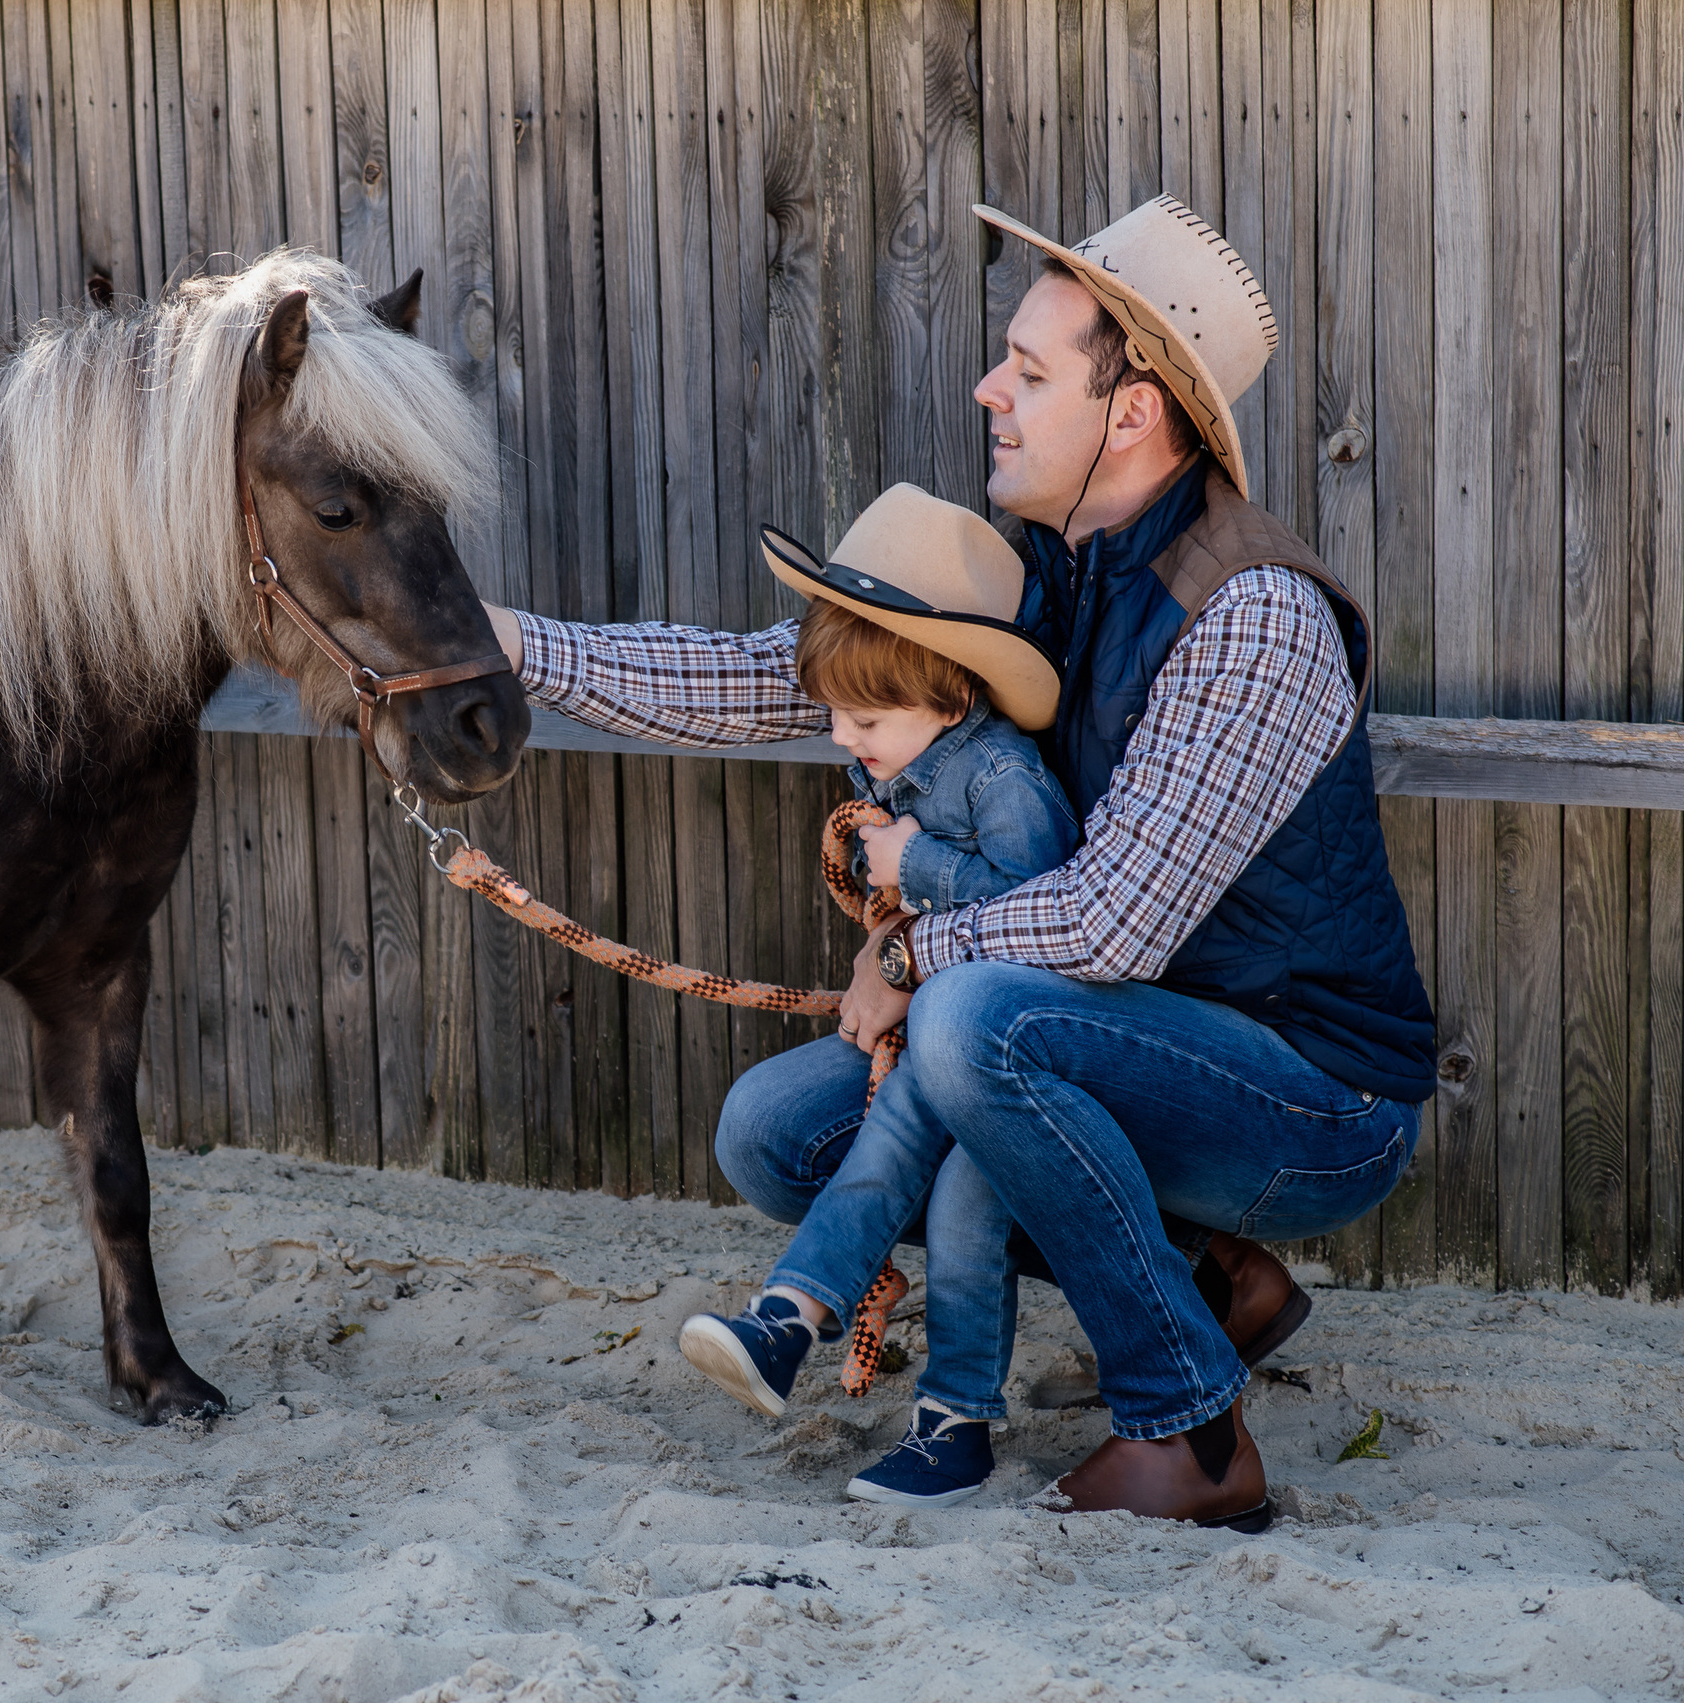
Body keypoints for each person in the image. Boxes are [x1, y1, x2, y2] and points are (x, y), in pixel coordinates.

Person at [485, 195, 1432, 1531]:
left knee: (976, 1020)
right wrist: (506, 648)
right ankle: (1208, 1278)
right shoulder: (1047, 573)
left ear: (1134, 413)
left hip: (1310, 1095)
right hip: (1124, 1040)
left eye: (1031, 370)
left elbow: (1109, 927)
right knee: (779, 1131)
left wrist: (906, 949)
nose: (992, 387)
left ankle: (1191, 1422)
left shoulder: (1253, 615)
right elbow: (778, 676)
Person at [667, 488, 1081, 1516]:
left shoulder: (1002, 778)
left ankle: (929, 1402)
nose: (847, 740)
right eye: (836, 716)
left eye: (868, 718)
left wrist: (915, 860)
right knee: (898, 1169)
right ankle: (803, 1327)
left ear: (950, 694)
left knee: (953, 1199)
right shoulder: (900, 758)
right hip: (947, 1030)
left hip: (1015, 1039)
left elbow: (1055, 912)